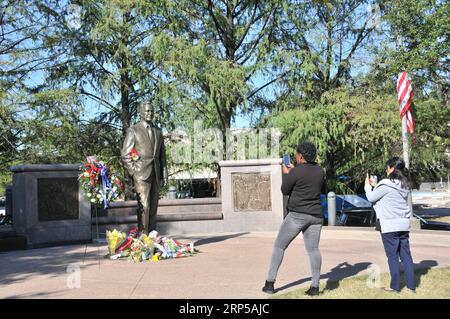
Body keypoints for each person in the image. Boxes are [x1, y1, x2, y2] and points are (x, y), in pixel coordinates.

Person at [262, 141, 326, 296]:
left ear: (301, 156)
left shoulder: (295, 172)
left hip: (297, 215)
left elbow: (285, 190)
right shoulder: (320, 171)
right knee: (313, 250)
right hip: (316, 216)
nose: (296, 156)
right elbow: (323, 189)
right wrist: (294, 173)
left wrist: (288, 174)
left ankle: (270, 284)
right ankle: (315, 287)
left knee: (279, 246)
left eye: (297, 154)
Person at [365, 157, 416, 293]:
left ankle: (395, 286)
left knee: (392, 256)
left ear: (392, 168)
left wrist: (367, 187)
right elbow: (388, 195)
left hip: (389, 225)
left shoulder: (385, 184)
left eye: (387, 167)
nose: (386, 170)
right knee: (406, 255)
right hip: (403, 224)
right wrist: (376, 185)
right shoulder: (404, 184)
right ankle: (411, 286)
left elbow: (371, 197)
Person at [121, 101, 168, 234]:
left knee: (153, 207)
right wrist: (134, 171)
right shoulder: (133, 130)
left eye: (151, 111)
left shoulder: (158, 131)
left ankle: (152, 236)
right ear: (140, 112)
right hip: (141, 174)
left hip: (156, 173)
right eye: (147, 111)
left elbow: (162, 156)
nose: (150, 114)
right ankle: (143, 236)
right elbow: (125, 154)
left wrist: (164, 174)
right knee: (144, 206)